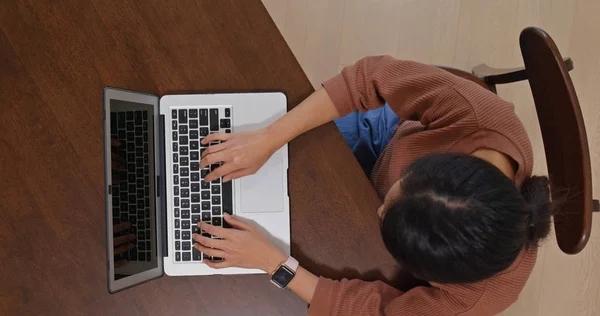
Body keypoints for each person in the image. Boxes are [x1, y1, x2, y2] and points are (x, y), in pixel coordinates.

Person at [191, 56, 554, 315]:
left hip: (378, 250)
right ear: (449, 160)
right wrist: (268, 139)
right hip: (384, 138)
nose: (380, 207)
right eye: (401, 187)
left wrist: (272, 263)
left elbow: (376, 313)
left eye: (385, 213)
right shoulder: (480, 117)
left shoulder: (477, 299)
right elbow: (369, 78)